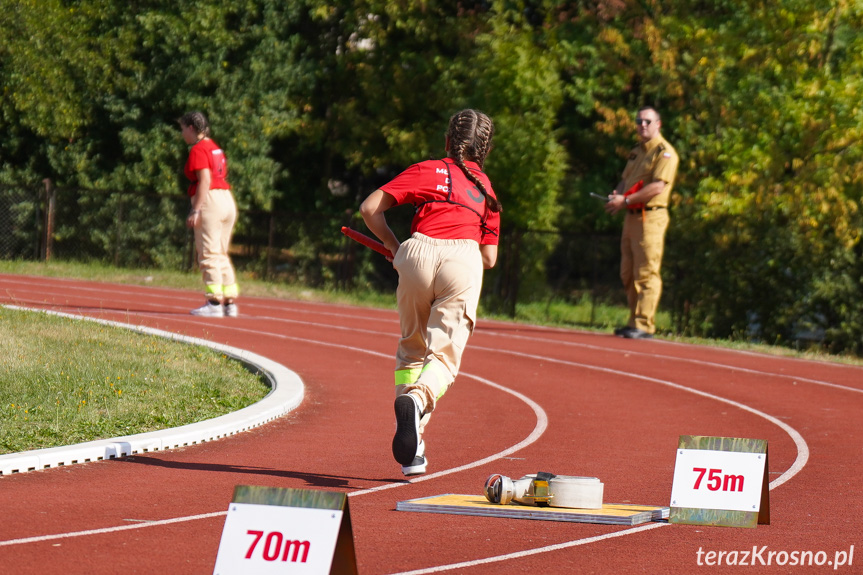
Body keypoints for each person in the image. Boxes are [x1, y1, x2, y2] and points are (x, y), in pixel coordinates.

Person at [359, 109, 501, 476]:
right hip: (463, 257)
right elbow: (489, 258)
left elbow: (369, 208)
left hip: (418, 252)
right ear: (484, 149)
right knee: (443, 358)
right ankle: (418, 401)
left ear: (447, 141)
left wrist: (394, 246)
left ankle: (414, 450)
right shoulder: (487, 190)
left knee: (411, 348)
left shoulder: (427, 169)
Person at [604, 106, 679, 339]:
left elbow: (657, 187)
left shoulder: (665, 153)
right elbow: (626, 180)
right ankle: (633, 319)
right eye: (639, 121)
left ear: (659, 124)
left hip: (651, 217)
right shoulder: (637, 151)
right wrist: (618, 195)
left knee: (646, 272)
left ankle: (645, 324)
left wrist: (625, 200)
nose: (642, 125)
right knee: (628, 272)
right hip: (631, 217)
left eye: (647, 121)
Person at [179, 111, 240, 318]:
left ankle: (214, 302)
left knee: (208, 252)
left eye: (182, 129)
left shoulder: (198, 148)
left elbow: (204, 179)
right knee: (221, 252)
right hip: (226, 199)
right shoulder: (215, 147)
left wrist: (196, 209)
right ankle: (229, 303)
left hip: (211, 200)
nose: (182, 134)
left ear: (191, 128)